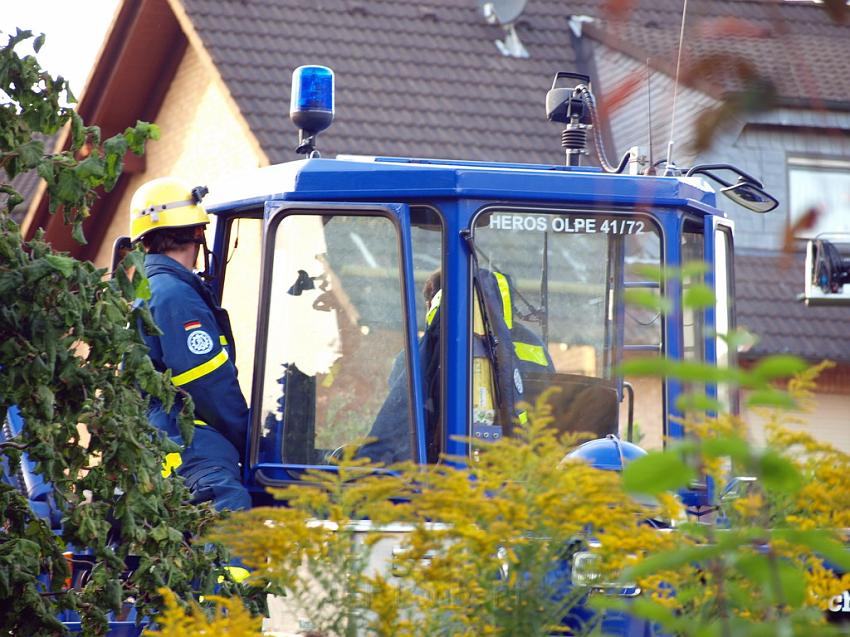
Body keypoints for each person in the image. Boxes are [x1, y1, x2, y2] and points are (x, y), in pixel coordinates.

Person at [129, 176, 251, 511]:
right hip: (189, 438)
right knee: (229, 509)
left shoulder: (148, 287)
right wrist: (250, 440)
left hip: (163, 435)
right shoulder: (174, 297)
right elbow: (208, 385)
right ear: (198, 233)